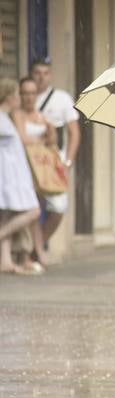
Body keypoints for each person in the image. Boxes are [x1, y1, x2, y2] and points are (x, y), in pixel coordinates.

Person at [30, 60, 80, 249]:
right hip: (29, 160)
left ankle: (38, 245)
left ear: (50, 75)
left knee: (58, 206)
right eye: (37, 73)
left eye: (45, 73)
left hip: (53, 161)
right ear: (31, 74)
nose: (41, 77)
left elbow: (74, 132)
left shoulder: (62, 98)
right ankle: (29, 250)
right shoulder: (25, 96)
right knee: (31, 208)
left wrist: (68, 162)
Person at [11, 76, 57, 272]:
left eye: (32, 93)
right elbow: (22, 138)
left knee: (36, 212)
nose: (29, 97)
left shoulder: (41, 116)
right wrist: (42, 141)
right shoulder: (17, 114)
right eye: (25, 93)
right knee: (26, 211)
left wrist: (50, 132)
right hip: (20, 168)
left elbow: (52, 142)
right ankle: (26, 253)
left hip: (38, 171)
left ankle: (36, 251)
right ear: (20, 95)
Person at [0, 78, 44, 275]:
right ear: (10, 97)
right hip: (11, 179)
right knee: (33, 211)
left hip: (14, 178)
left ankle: (5, 261)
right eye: (18, 94)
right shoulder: (2, 119)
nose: (20, 98)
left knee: (7, 216)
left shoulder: (6, 118)